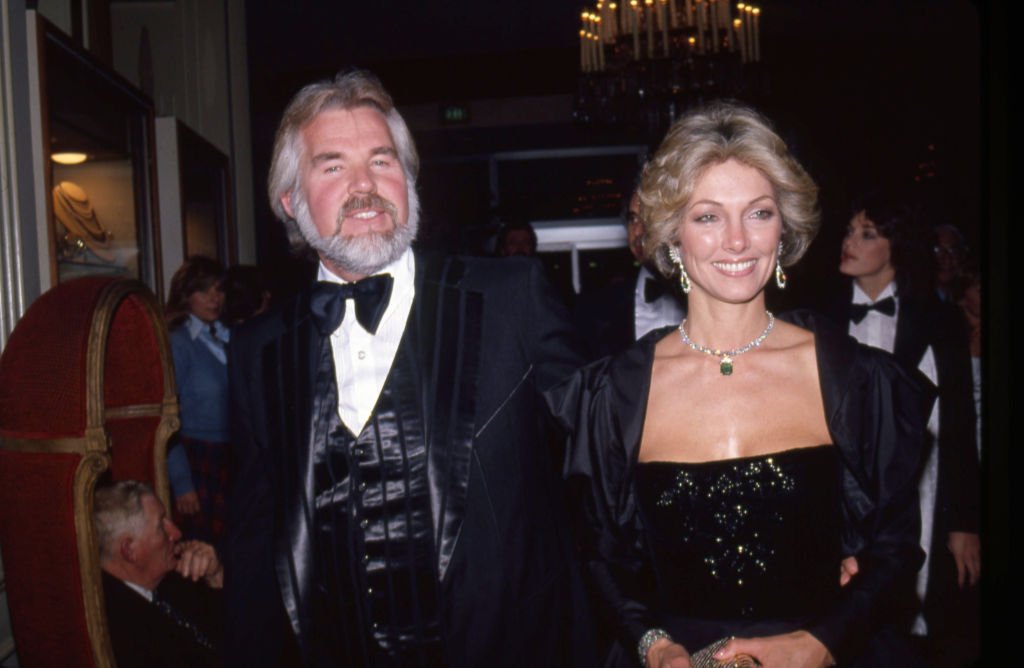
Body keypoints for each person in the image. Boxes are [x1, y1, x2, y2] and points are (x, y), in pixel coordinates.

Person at [225, 69, 591, 667]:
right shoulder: (256, 349)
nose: (365, 185)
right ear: (291, 200)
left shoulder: (512, 300)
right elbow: (252, 547)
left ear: (409, 182)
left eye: (383, 160)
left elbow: (605, 450)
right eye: (333, 165)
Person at [546, 103, 930, 668]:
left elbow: (895, 549)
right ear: (672, 233)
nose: (737, 241)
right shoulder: (613, 394)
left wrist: (822, 642)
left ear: (784, 226)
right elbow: (599, 558)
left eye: (758, 214)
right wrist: (655, 647)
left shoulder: (857, 378)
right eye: (707, 217)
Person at [832, 190, 980, 662]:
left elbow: (959, 425)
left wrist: (964, 523)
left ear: (895, 247)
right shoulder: (820, 318)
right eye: (850, 231)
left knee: (918, 635)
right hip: (842, 497)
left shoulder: (938, 320)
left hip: (920, 493)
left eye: (867, 233)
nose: (850, 241)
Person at [94, 480, 223, 668]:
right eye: (161, 527)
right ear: (129, 550)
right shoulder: (118, 629)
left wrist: (216, 576)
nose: (177, 533)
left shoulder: (169, 577)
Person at [164, 257, 231, 542]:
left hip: (230, 457)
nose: (214, 298)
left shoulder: (227, 336)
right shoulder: (178, 343)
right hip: (196, 461)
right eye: (204, 291)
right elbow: (166, 417)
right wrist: (181, 482)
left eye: (219, 290)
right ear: (186, 295)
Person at [574, 190, 685, 361]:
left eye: (649, 218)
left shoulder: (715, 297)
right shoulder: (594, 309)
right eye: (633, 219)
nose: (638, 231)